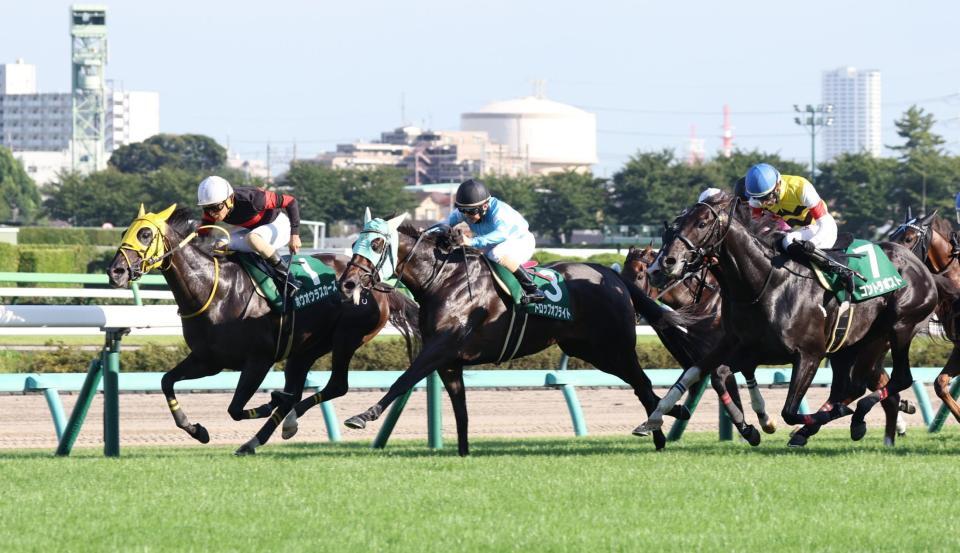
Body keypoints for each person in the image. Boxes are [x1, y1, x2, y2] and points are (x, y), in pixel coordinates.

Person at [743, 163, 854, 292]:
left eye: (767, 197)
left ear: (778, 185)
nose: (764, 203)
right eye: (760, 198)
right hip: (799, 231)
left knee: (789, 241)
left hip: (821, 227)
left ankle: (840, 269)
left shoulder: (801, 188)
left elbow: (825, 222)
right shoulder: (756, 200)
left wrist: (813, 242)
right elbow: (755, 229)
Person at [445, 178, 545, 304]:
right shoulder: (468, 210)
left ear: (485, 206)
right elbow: (445, 224)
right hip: (495, 243)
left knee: (496, 254)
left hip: (521, 241)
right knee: (471, 255)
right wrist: (427, 233)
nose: (466, 215)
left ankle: (533, 290)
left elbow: (501, 234)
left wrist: (471, 241)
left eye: (471, 211)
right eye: (462, 210)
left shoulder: (499, 211)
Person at [196, 175, 302, 289]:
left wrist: (295, 235)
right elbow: (203, 233)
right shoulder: (214, 208)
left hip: (279, 226)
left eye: (216, 207)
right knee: (218, 244)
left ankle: (289, 279)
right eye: (207, 208)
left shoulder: (253, 198)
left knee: (253, 238)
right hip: (253, 230)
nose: (212, 213)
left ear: (230, 199)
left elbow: (291, 202)